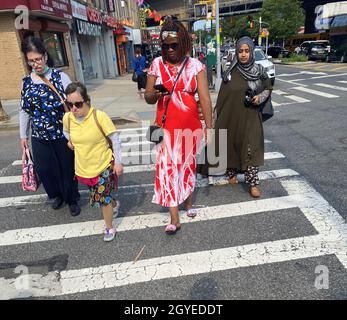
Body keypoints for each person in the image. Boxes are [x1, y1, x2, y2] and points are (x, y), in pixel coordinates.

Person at [144, 17, 213, 235]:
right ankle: (174, 218)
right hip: (165, 129)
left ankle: (188, 202)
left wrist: (209, 127)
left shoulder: (196, 66)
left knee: (187, 167)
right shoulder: (157, 64)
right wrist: (155, 92)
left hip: (190, 128)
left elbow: (205, 98)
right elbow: (148, 97)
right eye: (166, 46)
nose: (170, 49)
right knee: (167, 170)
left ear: (183, 43)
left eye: (174, 45)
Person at [19, 36, 80, 216]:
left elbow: (74, 103)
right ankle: (56, 195)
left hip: (62, 134)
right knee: (45, 169)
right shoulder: (26, 82)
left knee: (67, 168)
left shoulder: (60, 77)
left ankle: (72, 198)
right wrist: (23, 135)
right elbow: (24, 110)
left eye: (38, 59)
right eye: (31, 61)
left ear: (45, 56)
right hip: (39, 135)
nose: (35, 64)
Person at [63, 82, 123, 242]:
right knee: (99, 195)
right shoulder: (68, 118)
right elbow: (65, 132)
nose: (73, 108)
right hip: (83, 168)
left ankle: (109, 227)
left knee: (102, 198)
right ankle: (114, 204)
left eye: (78, 104)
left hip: (103, 165)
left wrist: (118, 162)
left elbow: (115, 139)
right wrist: (69, 141)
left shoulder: (99, 116)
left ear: (87, 100)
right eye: (69, 104)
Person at [213, 36, 272, 198]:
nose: (244, 54)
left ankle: (253, 183)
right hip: (231, 116)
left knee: (252, 147)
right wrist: (216, 115)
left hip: (251, 116)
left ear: (251, 51)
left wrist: (260, 97)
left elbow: (268, 88)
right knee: (232, 143)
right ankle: (231, 172)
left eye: (247, 51)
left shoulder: (259, 71)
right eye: (240, 51)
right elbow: (223, 97)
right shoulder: (231, 71)